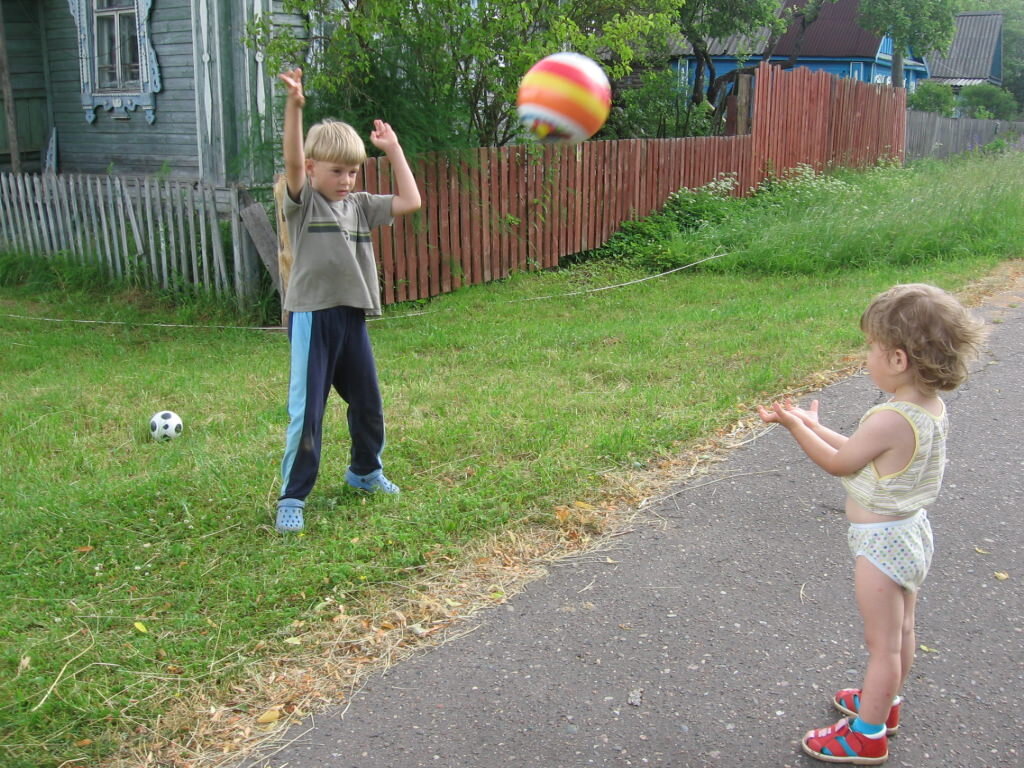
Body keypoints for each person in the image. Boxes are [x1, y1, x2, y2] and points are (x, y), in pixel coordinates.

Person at [757, 283, 984, 765]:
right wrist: (815, 424)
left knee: (881, 644)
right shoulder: (926, 408)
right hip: (909, 534)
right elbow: (863, 455)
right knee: (901, 632)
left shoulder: (888, 417)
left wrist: (795, 427)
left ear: (898, 359)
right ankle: (886, 704)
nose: (867, 356)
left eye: (872, 348)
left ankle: (868, 734)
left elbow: (841, 464)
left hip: (880, 543)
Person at [274, 68, 421, 533]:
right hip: (313, 318)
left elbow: (410, 200)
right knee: (308, 411)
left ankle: (364, 472)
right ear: (314, 170)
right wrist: (295, 107)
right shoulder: (304, 205)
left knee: (368, 403)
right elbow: (293, 162)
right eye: (336, 170)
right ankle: (292, 497)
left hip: (352, 318)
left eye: (352, 170)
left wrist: (393, 150)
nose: (345, 179)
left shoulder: (358, 205)